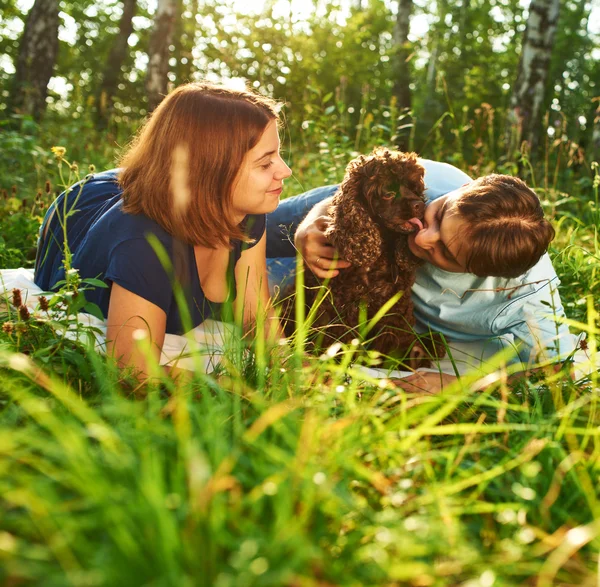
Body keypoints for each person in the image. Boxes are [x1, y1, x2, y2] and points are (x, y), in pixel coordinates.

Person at [35, 82, 291, 378]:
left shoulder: (244, 208)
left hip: (175, 191)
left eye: (278, 155)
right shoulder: (144, 242)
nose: (285, 171)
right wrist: (238, 389)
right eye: (265, 163)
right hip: (79, 212)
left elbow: (253, 314)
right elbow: (134, 373)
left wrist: (295, 369)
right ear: (212, 171)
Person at [265, 159, 578, 392]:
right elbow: (355, 190)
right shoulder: (438, 183)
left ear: (480, 274)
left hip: (364, 281)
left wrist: (462, 384)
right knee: (237, 223)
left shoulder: (525, 297)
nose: (423, 238)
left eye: (446, 251)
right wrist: (311, 223)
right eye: (439, 215)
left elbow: (561, 372)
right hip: (344, 213)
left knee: (241, 277)